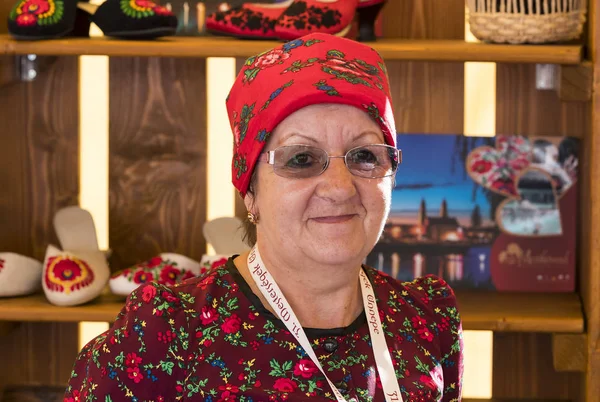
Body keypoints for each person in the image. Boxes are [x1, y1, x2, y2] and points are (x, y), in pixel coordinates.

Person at [64, 32, 464, 402]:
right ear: (250, 191)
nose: (340, 188)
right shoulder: (166, 332)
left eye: (365, 156)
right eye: (302, 159)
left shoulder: (425, 318)